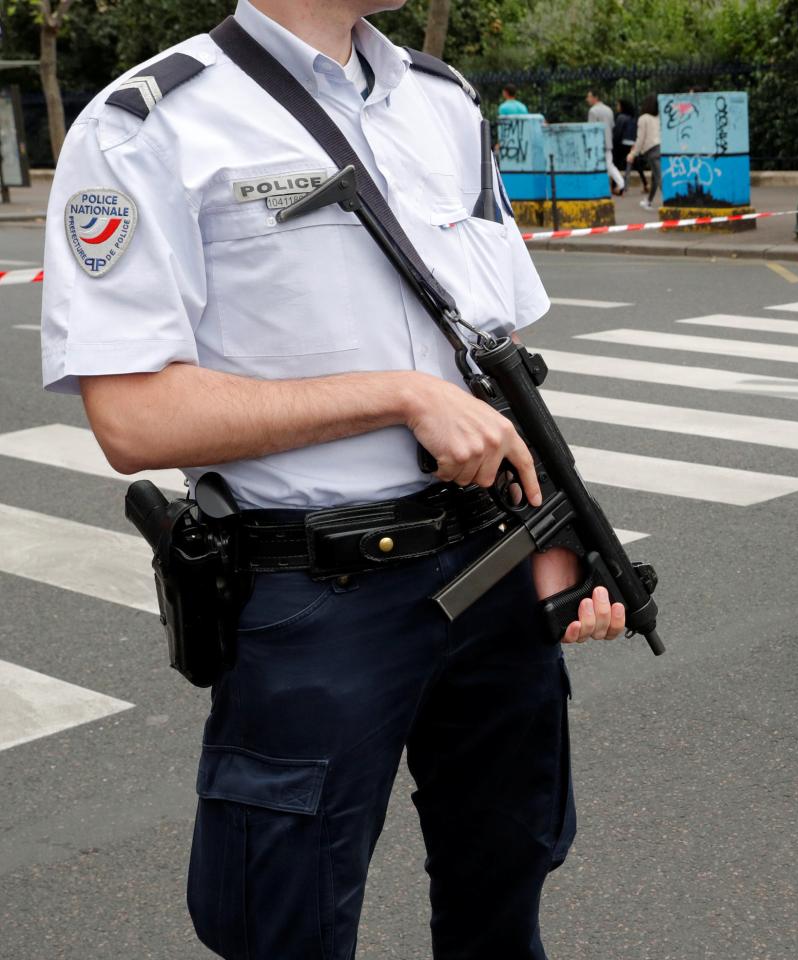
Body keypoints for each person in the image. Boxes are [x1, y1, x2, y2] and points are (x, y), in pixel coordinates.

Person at [38, 1, 629, 956]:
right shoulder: (148, 122)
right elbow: (133, 417)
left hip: (492, 566)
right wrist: (392, 396)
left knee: (505, 888)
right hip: (318, 599)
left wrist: (556, 536)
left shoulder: (441, 102)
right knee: (286, 923)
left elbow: (500, 354)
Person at [586, 88, 625, 195]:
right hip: (608, 141)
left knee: (606, 166)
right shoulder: (609, 110)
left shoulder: (593, 111)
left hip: (597, 144)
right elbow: (612, 126)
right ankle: (618, 184)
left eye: (589, 97)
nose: (587, 99)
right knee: (608, 164)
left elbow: (591, 129)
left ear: (595, 98)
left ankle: (621, 183)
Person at [628, 93, 662, 211]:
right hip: (662, 148)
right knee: (655, 177)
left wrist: (633, 153)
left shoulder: (643, 119)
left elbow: (640, 138)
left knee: (658, 177)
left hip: (652, 150)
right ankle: (648, 201)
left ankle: (670, 201)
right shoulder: (659, 117)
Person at [614, 97, 638, 183]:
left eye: (618, 105)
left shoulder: (621, 117)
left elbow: (618, 132)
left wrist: (615, 143)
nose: (617, 107)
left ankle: (617, 185)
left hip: (623, 143)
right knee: (635, 164)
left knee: (616, 163)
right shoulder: (632, 118)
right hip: (632, 143)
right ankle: (645, 183)